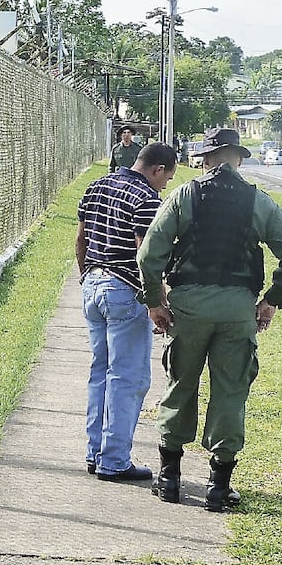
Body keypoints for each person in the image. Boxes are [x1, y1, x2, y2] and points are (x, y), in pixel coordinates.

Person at [137, 127, 282, 510]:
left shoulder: (184, 195)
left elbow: (149, 256)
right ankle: (219, 486)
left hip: (188, 308)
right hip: (237, 311)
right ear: (239, 159)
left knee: (180, 384)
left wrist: (155, 301)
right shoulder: (257, 201)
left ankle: (170, 479)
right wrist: (272, 300)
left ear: (205, 158)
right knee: (231, 391)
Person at [76, 142, 179, 481]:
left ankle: (95, 452)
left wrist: (85, 276)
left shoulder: (97, 186)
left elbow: (81, 239)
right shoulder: (146, 199)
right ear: (158, 169)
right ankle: (115, 459)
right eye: (166, 178)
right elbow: (145, 256)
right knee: (129, 378)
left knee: (100, 372)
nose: (164, 185)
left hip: (92, 284)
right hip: (124, 291)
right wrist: (158, 302)